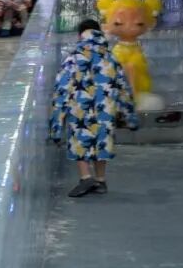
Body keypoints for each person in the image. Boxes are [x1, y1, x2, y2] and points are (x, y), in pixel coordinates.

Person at [50, 19, 138, 197]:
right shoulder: (111, 58)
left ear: (80, 35)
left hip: (79, 108)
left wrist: (56, 126)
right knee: (101, 141)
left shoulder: (73, 58)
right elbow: (124, 89)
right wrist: (130, 117)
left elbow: (61, 89)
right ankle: (100, 180)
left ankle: (85, 177)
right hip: (105, 109)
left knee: (80, 140)